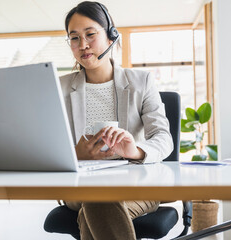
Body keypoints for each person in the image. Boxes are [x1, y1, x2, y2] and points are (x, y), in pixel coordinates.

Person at [61, 1, 173, 239]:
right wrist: (75, 153)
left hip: (135, 185)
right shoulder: (59, 87)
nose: (83, 45)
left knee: (93, 207)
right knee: (96, 195)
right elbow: (46, 145)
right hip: (79, 186)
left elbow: (163, 138)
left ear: (111, 36)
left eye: (90, 34)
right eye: (74, 38)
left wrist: (136, 150)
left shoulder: (141, 81)